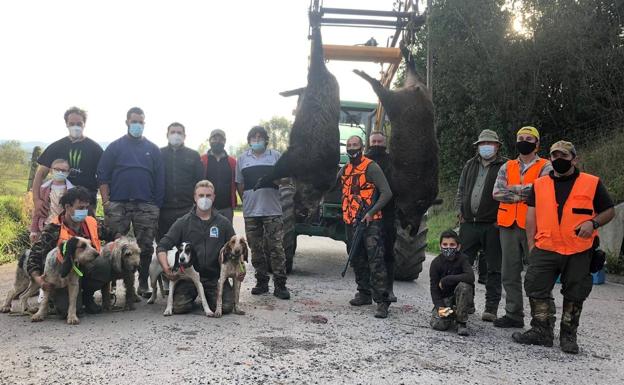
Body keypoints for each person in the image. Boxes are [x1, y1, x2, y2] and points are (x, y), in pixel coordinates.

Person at [512, 141, 615, 353]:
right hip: (546, 246)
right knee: (535, 285)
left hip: (578, 249)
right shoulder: (540, 184)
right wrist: (532, 245)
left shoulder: (592, 182)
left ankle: (568, 335)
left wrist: (593, 223)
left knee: (576, 292)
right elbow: (531, 217)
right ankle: (541, 331)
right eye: (554, 155)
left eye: (564, 156)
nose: (559, 159)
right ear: (549, 158)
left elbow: (609, 211)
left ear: (574, 159)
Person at [97, 107, 164, 298]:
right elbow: (102, 175)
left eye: (141, 122)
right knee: (114, 245)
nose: (137, 125)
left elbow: (160, 179)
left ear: (144, 123)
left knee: (144, 246)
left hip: (146, 205)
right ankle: (109, 286)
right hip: (118, 204)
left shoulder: (152, 149)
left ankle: (142, 283)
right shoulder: (115, 147)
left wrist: (156, 205)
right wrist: (106, 202)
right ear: (127, 122)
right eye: (134, 121)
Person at [492, 126, 552, 328]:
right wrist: (529, 191)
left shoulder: (547, 166)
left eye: (528, 138)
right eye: (520, 138)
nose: (523, 141)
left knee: (538, 274)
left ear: (537, 143)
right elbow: (497, 193)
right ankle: (513, 315)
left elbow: (543, 190)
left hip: (535, 226)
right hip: (508, 225)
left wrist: (512, 191)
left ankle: (542, 319)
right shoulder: (506, 166)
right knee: (509, 273)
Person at [157, 180, 241, 314]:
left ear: (214, 197)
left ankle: (210, 295)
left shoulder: (223, 223)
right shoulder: (182, 222)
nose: (204, 199)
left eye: (208, 196)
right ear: (195, 197)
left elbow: (236, 248)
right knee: (179, 308)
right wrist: (167, 269)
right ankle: (194, 295)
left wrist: (240, 270)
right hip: (188, 277)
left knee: (225, 307)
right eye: (201, 195)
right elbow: (162, 246)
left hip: (215, 278)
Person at [27, 187, 110, 315]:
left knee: (104, 265)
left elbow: (110, 234)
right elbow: (34, 255)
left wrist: (118, 240)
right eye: (80, 207)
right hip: (63, 275)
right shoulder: (52, 229)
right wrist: (39, 280)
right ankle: (56, 301)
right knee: (67, 311)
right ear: (67, 206)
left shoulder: (91, 222)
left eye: (86, 207)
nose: (84, 211)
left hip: (85, 270)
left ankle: (87, 297)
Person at [455, 129, 506, 322]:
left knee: (494, 268)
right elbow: (461, 189)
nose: (486, 147)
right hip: (469, 223)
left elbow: (507, 194)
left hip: (493, 224)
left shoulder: (505, 166)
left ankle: (491, 308)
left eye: (490, 143)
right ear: (477, 146)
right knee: (463, 264)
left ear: (497, 146)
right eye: (482, 144)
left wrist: (500, 219)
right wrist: (460, 211)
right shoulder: (470, 164)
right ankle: (467, 303)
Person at [339, 135, 392, 318]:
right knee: (356, 258)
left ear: (362, 147)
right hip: (351, 221)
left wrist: (371, 213)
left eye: (355, 145)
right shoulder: (345, 169)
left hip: (371, 222)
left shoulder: (371, 167)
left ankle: (382, 301)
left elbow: (386, 193)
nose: (352, 148)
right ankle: (364, 293)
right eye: (349, 145)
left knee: (375, 260)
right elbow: (332, 185)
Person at [235, 126, 290, 299]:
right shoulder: (242, 159)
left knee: (276, 248)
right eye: (253, 137)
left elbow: (287, 179)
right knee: (255, 248)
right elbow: (240, 184)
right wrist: (248, 200)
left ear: (266, 139)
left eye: (260, 137)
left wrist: (274, 179)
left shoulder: (276, 156)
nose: (256, 140)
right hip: (251, 212)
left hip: (273, 210)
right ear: (249, 140)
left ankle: (280, 285)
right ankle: (261, 282)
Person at [32, 107, 103, 215]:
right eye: (72, 124)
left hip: (86, 203)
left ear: (84, 124)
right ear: (66, 124)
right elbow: (40, 174)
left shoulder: (95, 149)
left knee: (86, 231)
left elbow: (104, 178)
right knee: (56, 231)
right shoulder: (56, 147)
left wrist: (106, 201)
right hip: (58, 202)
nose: (76, 127)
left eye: (79, 123)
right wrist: (36, 200)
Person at [365, 132, 397, 302]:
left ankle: (388, 289)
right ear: (369, 143)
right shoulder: (362, 162)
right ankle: (366, 289)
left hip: (387, 213)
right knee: (365, 252)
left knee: (387, 251)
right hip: (366, 212)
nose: (376, 144)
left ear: (385, 144)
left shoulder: (393, 162)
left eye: (379, 142)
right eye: (374, 142)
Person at [159, 122, 204, 241]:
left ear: (184, 136)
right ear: (167, 135)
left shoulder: (193, 155)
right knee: (164, 244)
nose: (176, 135)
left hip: (187, 208)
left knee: (187, 244)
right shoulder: (158, 153)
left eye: (179, 132)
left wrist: (198, 204)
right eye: (173, 132)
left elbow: (200, 182)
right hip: (164, 209)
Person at [429, 229, 475, 336]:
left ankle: (461, 322)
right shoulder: (435, 263)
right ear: (440, 246)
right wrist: (440, 307)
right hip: (445, 300)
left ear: (458, 247)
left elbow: (470, 277)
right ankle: (453, 315)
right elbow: (434, 289)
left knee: (464, 286)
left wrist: (447, 279)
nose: (448, 247)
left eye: (452, 244)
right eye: (445, 244)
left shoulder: (463, 259)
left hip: (461, 297)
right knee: (438, 325)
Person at [29, 159, 75, 243]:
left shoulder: (72, 191)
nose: (60, 172)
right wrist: (33, 230)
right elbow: (37, 211)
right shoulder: (43, 189)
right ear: (51, 170)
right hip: (46, 226)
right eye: (57, 169)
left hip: (64, 228)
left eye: (63, 170)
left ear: (68, 172)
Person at [201, 129, 237, 224]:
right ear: (209, 141)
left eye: (220, 139)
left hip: (227, 208)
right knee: (205, 235)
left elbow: (238, 183)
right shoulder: (202, 160)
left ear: (224, 141)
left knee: (227, 236)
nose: (217, 141)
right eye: (214, 138)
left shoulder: (232, 162)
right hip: (206, 206)